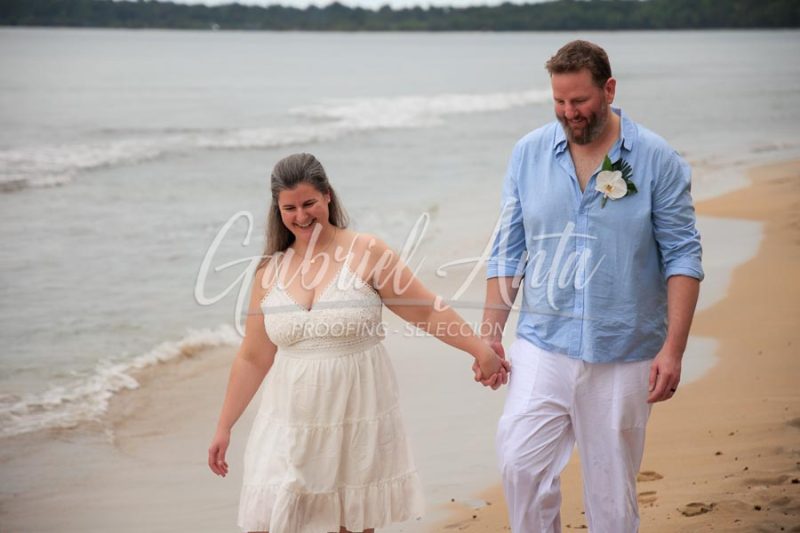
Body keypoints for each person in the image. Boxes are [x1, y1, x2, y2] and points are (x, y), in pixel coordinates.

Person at [207, 152, 510, 533]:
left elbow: (426, 311)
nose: (301, 216)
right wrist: (224, 427)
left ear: (327, 196)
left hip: (357, 410)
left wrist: (481, 351)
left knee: (350, 522)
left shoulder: (366, 252)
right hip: (288, 419)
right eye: (289, 208)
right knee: (272, 516)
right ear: (277, 209)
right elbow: (253, 358)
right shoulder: (269, 271)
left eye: (308, 203)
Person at [474, 40, 703, 531]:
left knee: (611, 494)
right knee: (519, 462)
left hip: (625, 348)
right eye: (559, 101)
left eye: (579, 101)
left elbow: (683, 255)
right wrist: (490, 334)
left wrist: (674, 350)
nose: (568, 112)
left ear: (609, 89)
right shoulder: (528, 154)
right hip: (543, 341)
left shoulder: (657, 158)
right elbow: (508, 251)